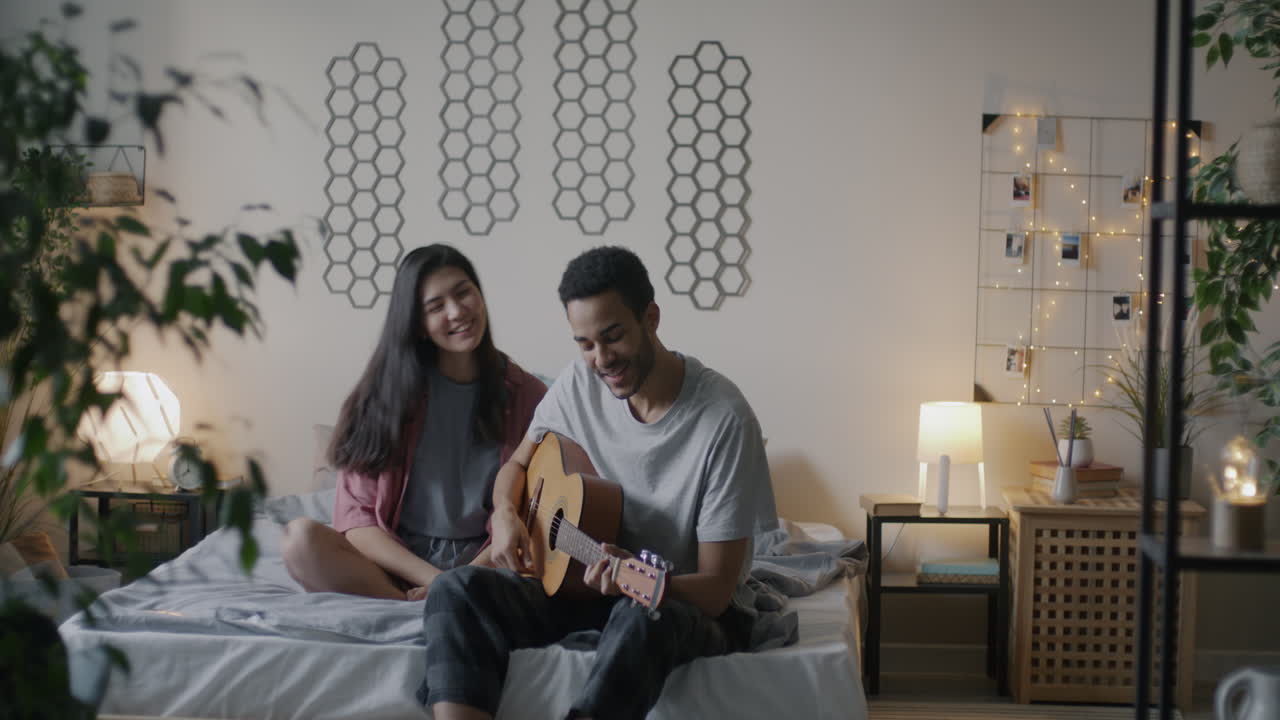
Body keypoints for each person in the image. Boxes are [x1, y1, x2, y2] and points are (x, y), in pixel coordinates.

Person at [419, 246, 777, 719]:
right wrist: (506, 514)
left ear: (650, 317)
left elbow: (715, 589)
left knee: (642, 610)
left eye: (613, 337)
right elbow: (516, 468)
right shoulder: (578, 385)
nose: (601, 359)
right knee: (454, 589)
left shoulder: (723, 420)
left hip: (680, 606)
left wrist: (640, 580)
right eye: (585, 344)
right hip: (584, 591)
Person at [281, 244, 546, 601]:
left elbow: (533, 511)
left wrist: (468, 576)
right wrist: (437, 581)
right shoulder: (380, 397)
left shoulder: (528, 394)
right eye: (436, 306)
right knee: (299, 541)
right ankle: (409, 605)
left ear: (479, 295)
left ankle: (446, 602)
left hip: (490, 561)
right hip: (396, 562)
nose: (456, 312)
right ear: (418, 324)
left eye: (464, 293)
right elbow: (357, 521)